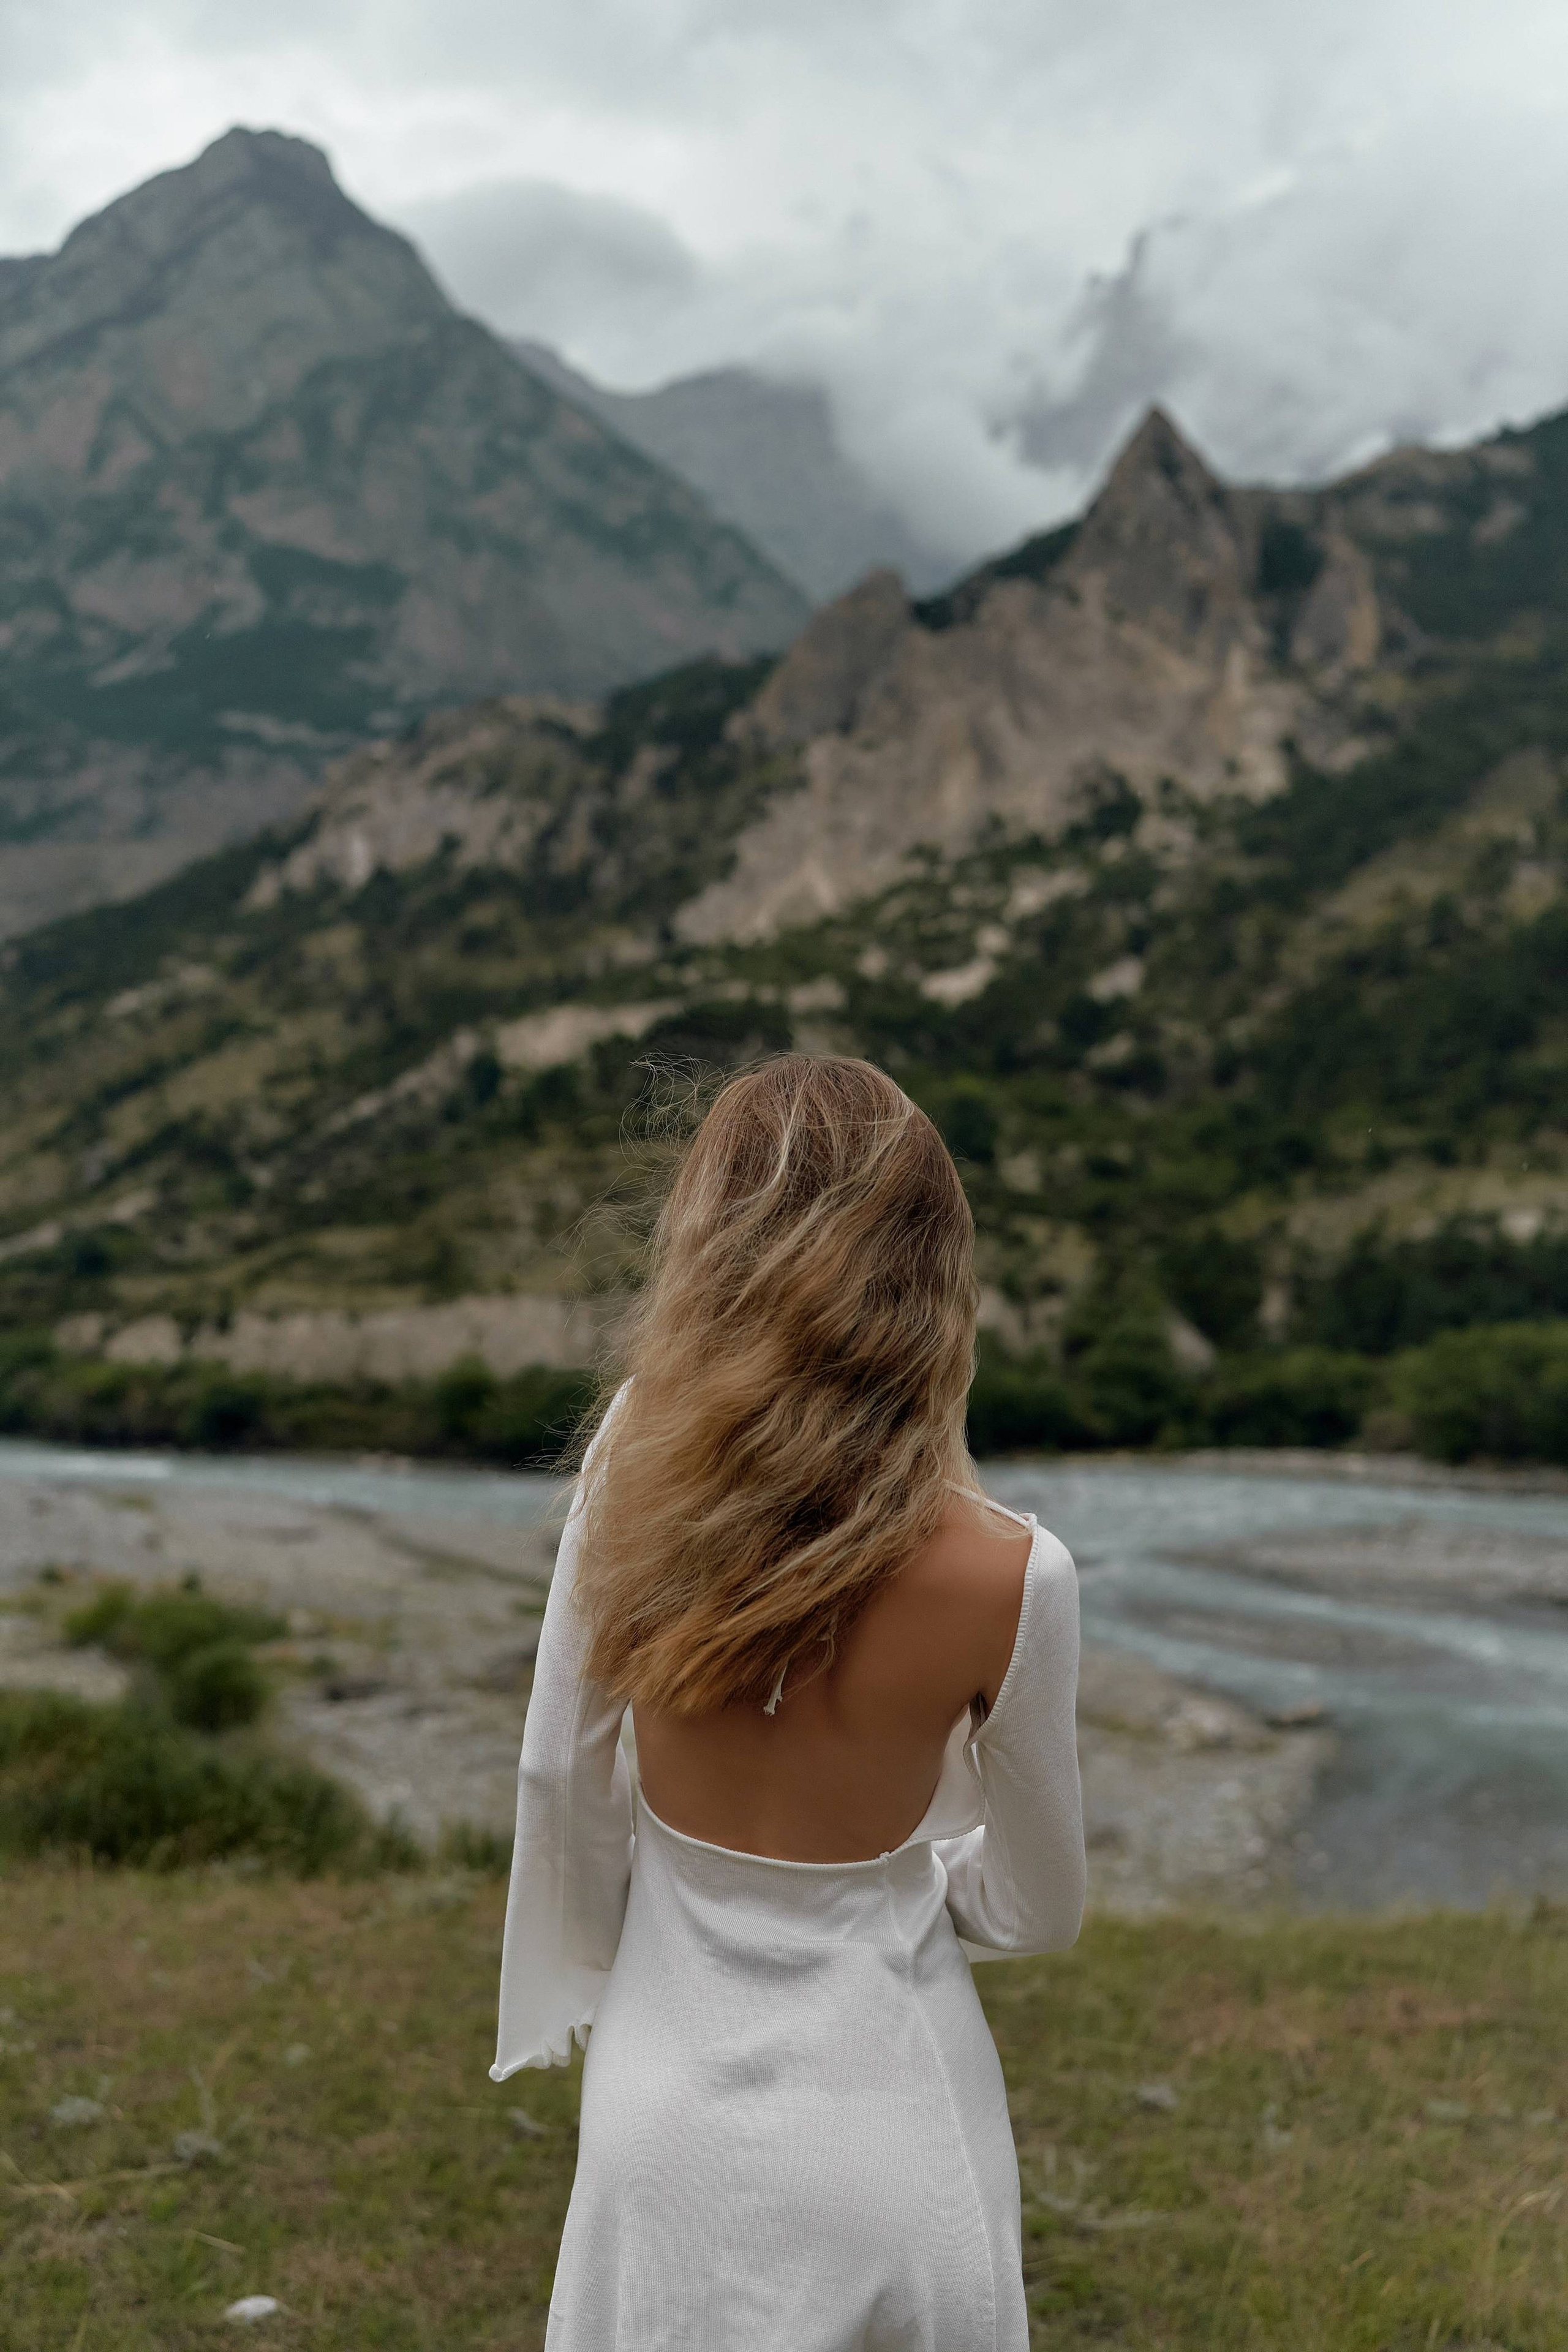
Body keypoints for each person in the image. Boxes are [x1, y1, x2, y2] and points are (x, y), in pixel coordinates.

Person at [492, 1054, 1085, 2350]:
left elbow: (563, 1780)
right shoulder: (1015, 1572)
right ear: (935, 1270)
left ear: (708, 1247)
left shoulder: (632, 1467)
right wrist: (911, 1878)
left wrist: (600, 1961)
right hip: (894, 2131)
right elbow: (1039, 1911)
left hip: (660, 2117)